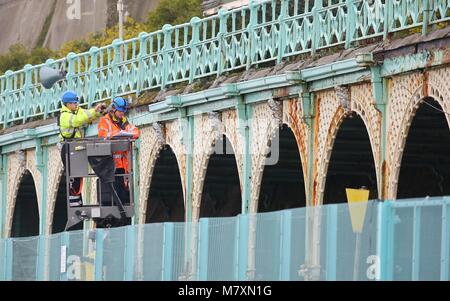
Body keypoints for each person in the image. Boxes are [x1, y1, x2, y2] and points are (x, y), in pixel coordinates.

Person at [58, 90, 106, 207]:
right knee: (73, 176)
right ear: (67, 104)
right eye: (74, 103)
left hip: (76, 146)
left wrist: (98, 111)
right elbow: (79, 120)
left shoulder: (76, 110)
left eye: (76, 103)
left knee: (79, 175)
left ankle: (78, 202)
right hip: (68, 147)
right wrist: (94, 111)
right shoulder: (64, 116)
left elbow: (87, 114)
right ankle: (74, 204)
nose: (76, 105)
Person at [98, 97, 140, 205]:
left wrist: (132, 134)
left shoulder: (124, 121)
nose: (122, 113)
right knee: (115, 191)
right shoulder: (105, 121)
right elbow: (102, 135)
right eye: (120, 111)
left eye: (124, 111)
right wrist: (116, 135)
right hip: (110, 164)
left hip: (122, 164)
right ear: (113, 109)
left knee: (122, 191)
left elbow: (134, 130)